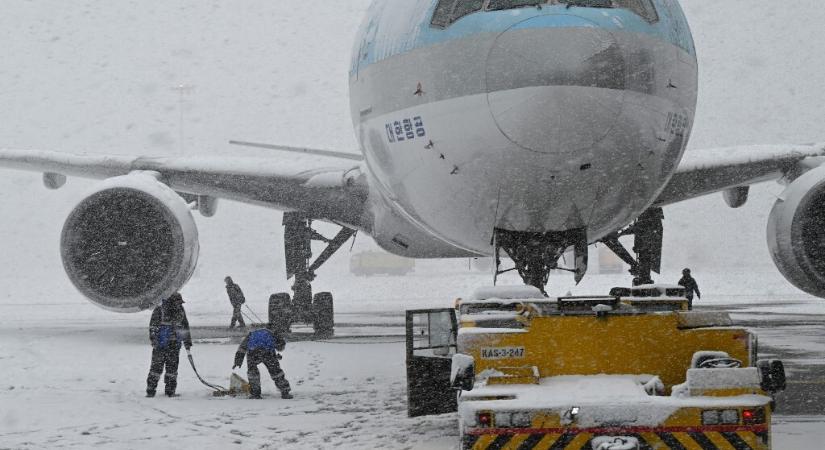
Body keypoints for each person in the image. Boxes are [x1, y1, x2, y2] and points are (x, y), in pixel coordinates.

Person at [146, 293, 192, 397]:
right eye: (178, 302)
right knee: (156, 369)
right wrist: (154, 340)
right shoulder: (160, 310)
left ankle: (170, 391)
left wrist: (187, 343)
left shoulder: (180, 311)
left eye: (180, 303)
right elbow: (153, 327)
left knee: (172, 370)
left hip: (174, 346)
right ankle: (150, 390)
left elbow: (185, 328)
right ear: (172, 301)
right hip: (161, 346)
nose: (179, 305)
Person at [233, 325, 292, 399]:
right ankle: (285, 391)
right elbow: (281, 346)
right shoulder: (273, 333)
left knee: (253, 373)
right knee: (276, 372)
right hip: (268, 352)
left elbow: (242, 348)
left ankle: (255, 393)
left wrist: (238, 360)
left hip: (252, 352)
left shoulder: (252, 334)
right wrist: (277, 352)